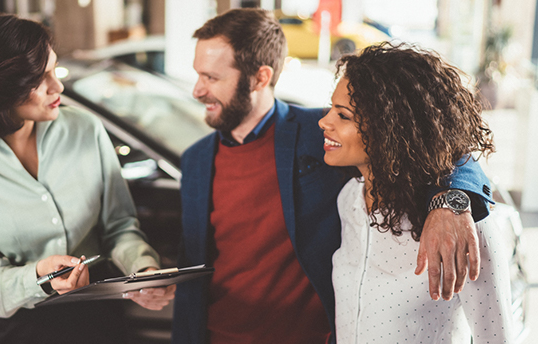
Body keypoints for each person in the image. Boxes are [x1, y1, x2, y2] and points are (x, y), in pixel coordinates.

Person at [172, 8, 494, 344]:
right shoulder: (195, 160)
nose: (197, 90)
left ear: (259, 77)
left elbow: (443, 150)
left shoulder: (325, 133)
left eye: (211, 77)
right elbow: (194, 258)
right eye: (198, 75)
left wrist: (451, 202)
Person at [0, 13, 174, 343]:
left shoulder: (86, 129)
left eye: (54, 69)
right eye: (38, 79)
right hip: (20, 328)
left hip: (99, 316)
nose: (57, 86)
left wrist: (143, 271)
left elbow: (119, 228)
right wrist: (37, 277)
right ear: (1, 88)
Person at [321, 42, 512, 343]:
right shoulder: (349, 199)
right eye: (330, 108)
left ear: (389, 128)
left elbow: (498, 338)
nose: (323, 121)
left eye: (343, 115)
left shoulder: (463, 227)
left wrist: (455, 200)